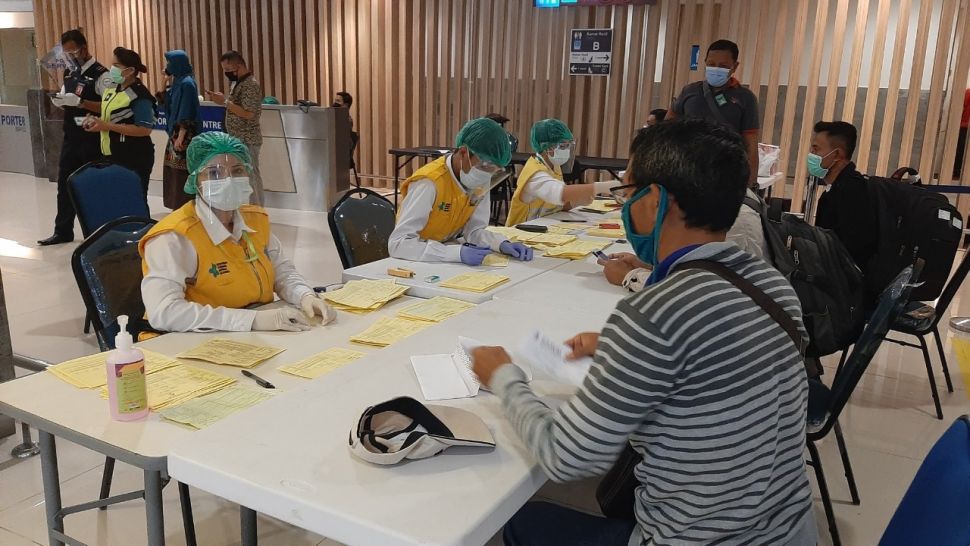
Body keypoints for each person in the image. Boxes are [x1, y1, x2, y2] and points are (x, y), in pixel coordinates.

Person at [471, 118, 817, 546]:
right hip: (788, 532)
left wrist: (504, 377)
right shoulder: (772, 287)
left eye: (626, 193)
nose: (623, 206)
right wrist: (622, 352)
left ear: (654, 201)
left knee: (526, 523)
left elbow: (564, 456)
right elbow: (713, 363)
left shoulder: (655, 313)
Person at [139, 132, 335, 332]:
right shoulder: (174, 236)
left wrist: (305, 296)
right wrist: (250, 320)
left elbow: (281, 272)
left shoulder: (255, 220)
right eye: (214, 173)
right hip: (193, 343)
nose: (228, 180)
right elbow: (164, 312)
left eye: (238, 170)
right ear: (196, 180)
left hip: (251, 338)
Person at [388, 117, 533, 264]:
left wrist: (501, 244)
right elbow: (399, 244)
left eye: (494, 170)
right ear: (463, 152)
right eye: (484, 166)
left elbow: (474, 231)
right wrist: (454, 253)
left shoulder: (481, 178)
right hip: (412, 261)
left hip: (444, 258)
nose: (487, 174)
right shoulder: (429, 183)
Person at [600, 185, 768, 291]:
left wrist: (630, 276)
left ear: (656, 201)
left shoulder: (736, 220)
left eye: (630, 194)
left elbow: (700, 291)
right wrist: (651, 266)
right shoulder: (718, 198)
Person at [38, 29, 113, 246]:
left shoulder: (102, 74)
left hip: (93, 137)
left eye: (73, 51)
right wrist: (60, 101)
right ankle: (62, 231)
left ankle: (99, 231)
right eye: (66, 52)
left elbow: (107, 106)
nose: (70, 56)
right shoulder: (70, 73)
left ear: (84, 47)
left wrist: (81, 103)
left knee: (93, 185)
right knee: (65, 184)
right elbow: (66, 96)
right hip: (71, 136)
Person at [669, 39, 760, 184]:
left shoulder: (746, 98)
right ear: (705, 62)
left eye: (723, 66)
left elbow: (751, 144)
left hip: (726, 174)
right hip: (687, 170)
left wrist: (750, 185)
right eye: (711, 64)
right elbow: (667, 130)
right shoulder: (689, 91)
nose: (716, 69)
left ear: (734, 66)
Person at [505, 119, 615, 226]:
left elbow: (557, 204)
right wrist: (602, 187)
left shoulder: (554, 167)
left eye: (568, 146)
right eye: (563, 146)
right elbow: (560, 193)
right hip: (519, 234)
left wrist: (575, 202)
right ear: (547, 147)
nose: (566, 150)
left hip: (541, 228)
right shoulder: (535, 173)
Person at [81, 47, 156, 199]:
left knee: (133, 201)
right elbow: (107, 109)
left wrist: (107, 126)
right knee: (114, 201)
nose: (112, 69)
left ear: (129, 71)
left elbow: (144, 129)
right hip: (111, 154)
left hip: (133, 155)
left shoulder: (140, 95)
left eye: (116, 66)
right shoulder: (113, 88)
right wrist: (94, 120)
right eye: (112, 65)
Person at [811, 121, 879, 271]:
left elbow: (850, 252)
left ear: (836, 154)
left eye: (816, 149)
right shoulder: (836, 189)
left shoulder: (853, 192)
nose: (812, 155)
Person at [207, 50, 264, 204]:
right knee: (242, 176)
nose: (226, 73)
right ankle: (246, 209)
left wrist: (224, 102)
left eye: (228, 69)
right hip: (237, 138)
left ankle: (256, 211)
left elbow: (249, 113)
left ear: (238, 65)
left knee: (250, 176)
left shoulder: (250, 85)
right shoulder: (238, 83)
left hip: (247, 138)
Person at [161, 50, 201, 210]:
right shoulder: (178, 81)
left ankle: (184, 207)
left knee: (182, 172)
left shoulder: (187, 84)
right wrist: (164, 82)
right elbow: (166, 101)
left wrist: (181, 136)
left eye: (170, 63)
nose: (167, 67)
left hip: (184, 134)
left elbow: (187, 111)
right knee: (172, 170)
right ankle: (175, 206)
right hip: (175, 133)